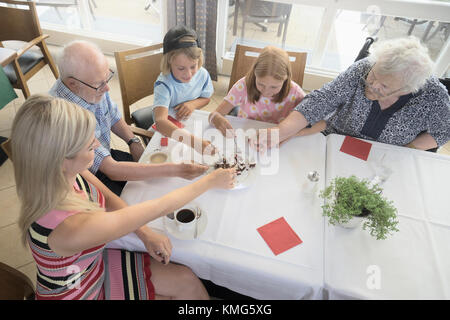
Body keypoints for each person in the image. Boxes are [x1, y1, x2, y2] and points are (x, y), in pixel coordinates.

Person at [11, 95, 236, 300]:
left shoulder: (63, 172)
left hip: (91, 265)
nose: (99, 145)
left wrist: (146, 234)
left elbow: (108, 198)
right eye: (90, 145)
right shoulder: (70, 227)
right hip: (82, 290)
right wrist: (209, 181)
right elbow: (158, 207)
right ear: (62, 158)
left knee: (186, 279)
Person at [49, 40, 208, 196]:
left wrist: (133, 141)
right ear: (72, 84)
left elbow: (112, 114)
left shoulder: (91, 83)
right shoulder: (65, 118)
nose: (107, 88)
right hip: (81, 178)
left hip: (105, 158)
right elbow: (111, 170)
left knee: (159, 183)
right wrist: (177, 169)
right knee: (149, 194)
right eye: (100, 84)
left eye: (107, 78)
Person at [254, 37, 450, 151]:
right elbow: (321, 100)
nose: (371, 86)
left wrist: (405, 152)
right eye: (372, 77)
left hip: (386, 153)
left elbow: (443, 132)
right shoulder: (363, 67)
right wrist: (281, 131)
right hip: (337, 140)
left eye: (383, 86)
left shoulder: (433, 96)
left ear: (408, 89)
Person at [209, 46, 306, 136]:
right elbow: (213, 115)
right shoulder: (244, 85)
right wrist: (216, 118)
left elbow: (312, 121)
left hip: (277, 138)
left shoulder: (295, 93)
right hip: (246, 133)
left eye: (274, 87)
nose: (266, 92)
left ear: (286, 79)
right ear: (254, 74)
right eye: (261, 84)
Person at [152, 25, 215, 154]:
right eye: (181, 68)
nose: (189, 74)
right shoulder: (164, 84)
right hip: (168, 130)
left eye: (193, 66)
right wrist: (195, 142)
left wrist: (192, 104)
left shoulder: (202, 74)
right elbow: (160, 122)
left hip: (189, 124)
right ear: (169, 62)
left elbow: (206, 98)